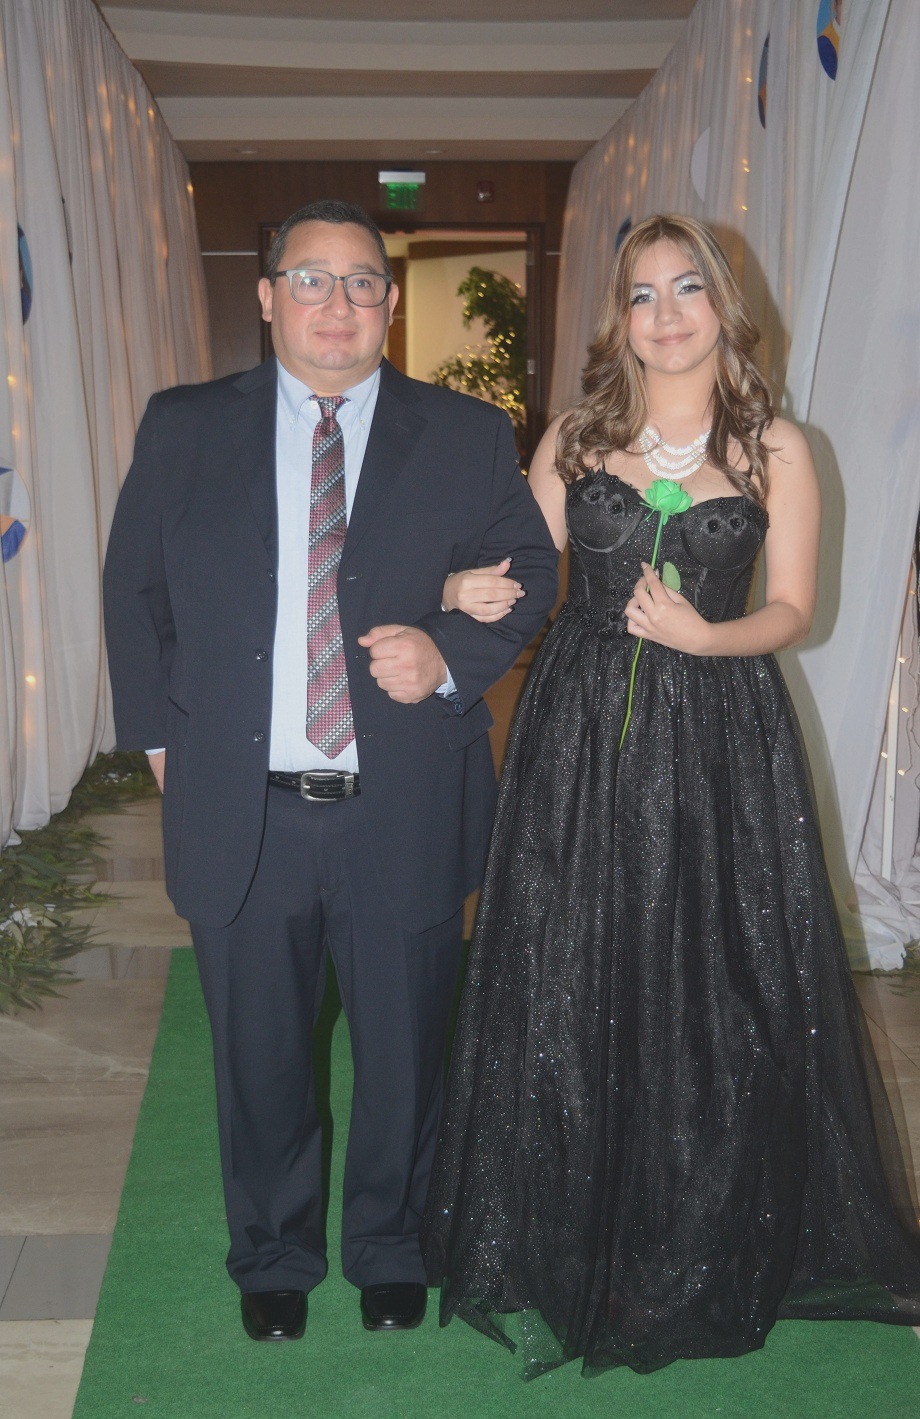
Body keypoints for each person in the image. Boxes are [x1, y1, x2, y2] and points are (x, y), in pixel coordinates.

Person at [421, 213, 920, 1376]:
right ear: (621, 318)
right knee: (571, 961)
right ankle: (564, 1229)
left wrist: (703, 636)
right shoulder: (575, 436)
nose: (664, 314)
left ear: (721, 306)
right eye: (641, 295)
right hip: (578, 739)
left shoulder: (773, 447)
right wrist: (457, 589)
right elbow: (524, 575)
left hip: (717, 738)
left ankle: (697, 1235)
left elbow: (792, 609)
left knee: (711, 974)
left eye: (685, 288)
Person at [103, 199, 557, 1343]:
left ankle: (391, 1245)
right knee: (258, 1056)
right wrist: (158, 743)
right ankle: (272, 1253)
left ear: (388, 305)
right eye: (310, 279)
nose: (336, 304)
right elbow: (134, 595)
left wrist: (446, 655)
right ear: (267, 297)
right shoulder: (183, 426)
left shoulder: (462, 433)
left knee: (405, 1051)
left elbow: (529, 572)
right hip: (241, 805)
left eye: (360, 282)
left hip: (400, 800)